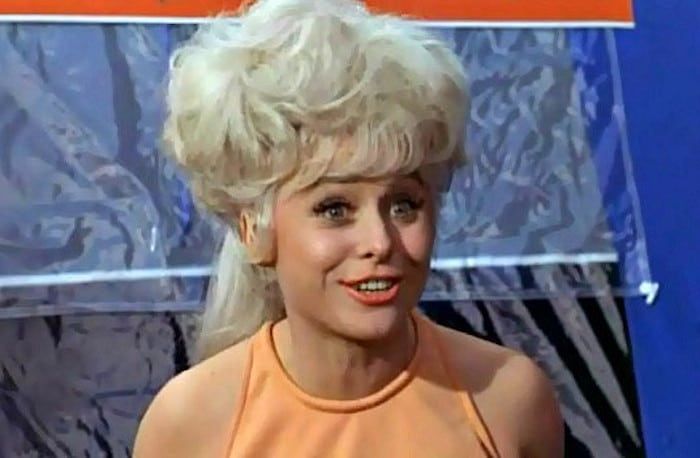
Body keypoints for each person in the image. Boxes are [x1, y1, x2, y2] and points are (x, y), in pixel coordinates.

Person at [133, 0, 564, 456]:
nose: (379, 242)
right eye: (335, 209)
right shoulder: (190, 424)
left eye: (404, 204)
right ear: (253, 229)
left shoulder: (507, 401)